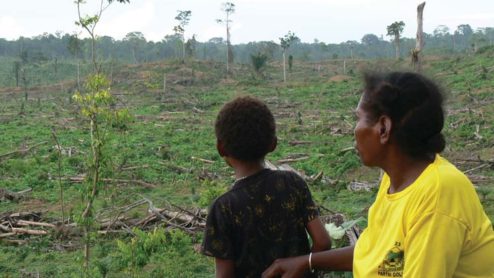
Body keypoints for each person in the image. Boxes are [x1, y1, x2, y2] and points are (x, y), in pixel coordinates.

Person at [263, 71, 494, 277]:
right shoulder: (396, 179)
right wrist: (307, 262)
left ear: (383, 128)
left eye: (359, 118)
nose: (354, 130)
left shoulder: (438, 194)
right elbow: (377, 254)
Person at [202, 96, 331, 278]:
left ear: (221, 148)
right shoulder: (292, 183)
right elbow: (323, 242)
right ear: (273, 144)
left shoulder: (223, 208)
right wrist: (305, 271)